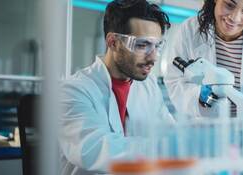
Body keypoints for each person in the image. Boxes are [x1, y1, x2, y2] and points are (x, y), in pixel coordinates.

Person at [162, 0, 243, 162]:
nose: (235, 17)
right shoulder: (190, 31)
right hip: (204, 144)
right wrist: (198, 97)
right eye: (229, 5)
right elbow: (175, 81)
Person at [59, 0, 172, 174]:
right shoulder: (74, 90)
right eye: (142, 45)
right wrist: (163, 147)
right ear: (113, 42)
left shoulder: (148, 86)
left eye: (157, 46)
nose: (153, 57)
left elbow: (170, 133)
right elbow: (93, 149)